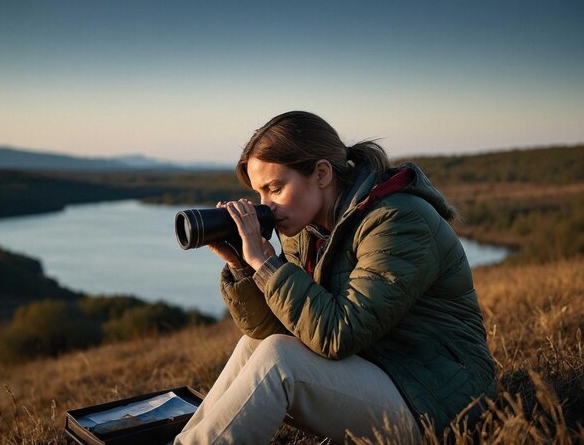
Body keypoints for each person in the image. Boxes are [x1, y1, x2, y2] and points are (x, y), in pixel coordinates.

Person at [174, 111, 496, 444]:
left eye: (275, 188)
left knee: (280, 362)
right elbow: (290, 331)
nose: (266, 206)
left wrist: (267, 266)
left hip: (440, 400)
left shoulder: (397, 220)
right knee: (254, 346)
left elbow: (338, 334)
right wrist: (244, 266)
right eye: (259, 194)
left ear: (322, 173)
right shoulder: (304, 228)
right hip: (382, 373)